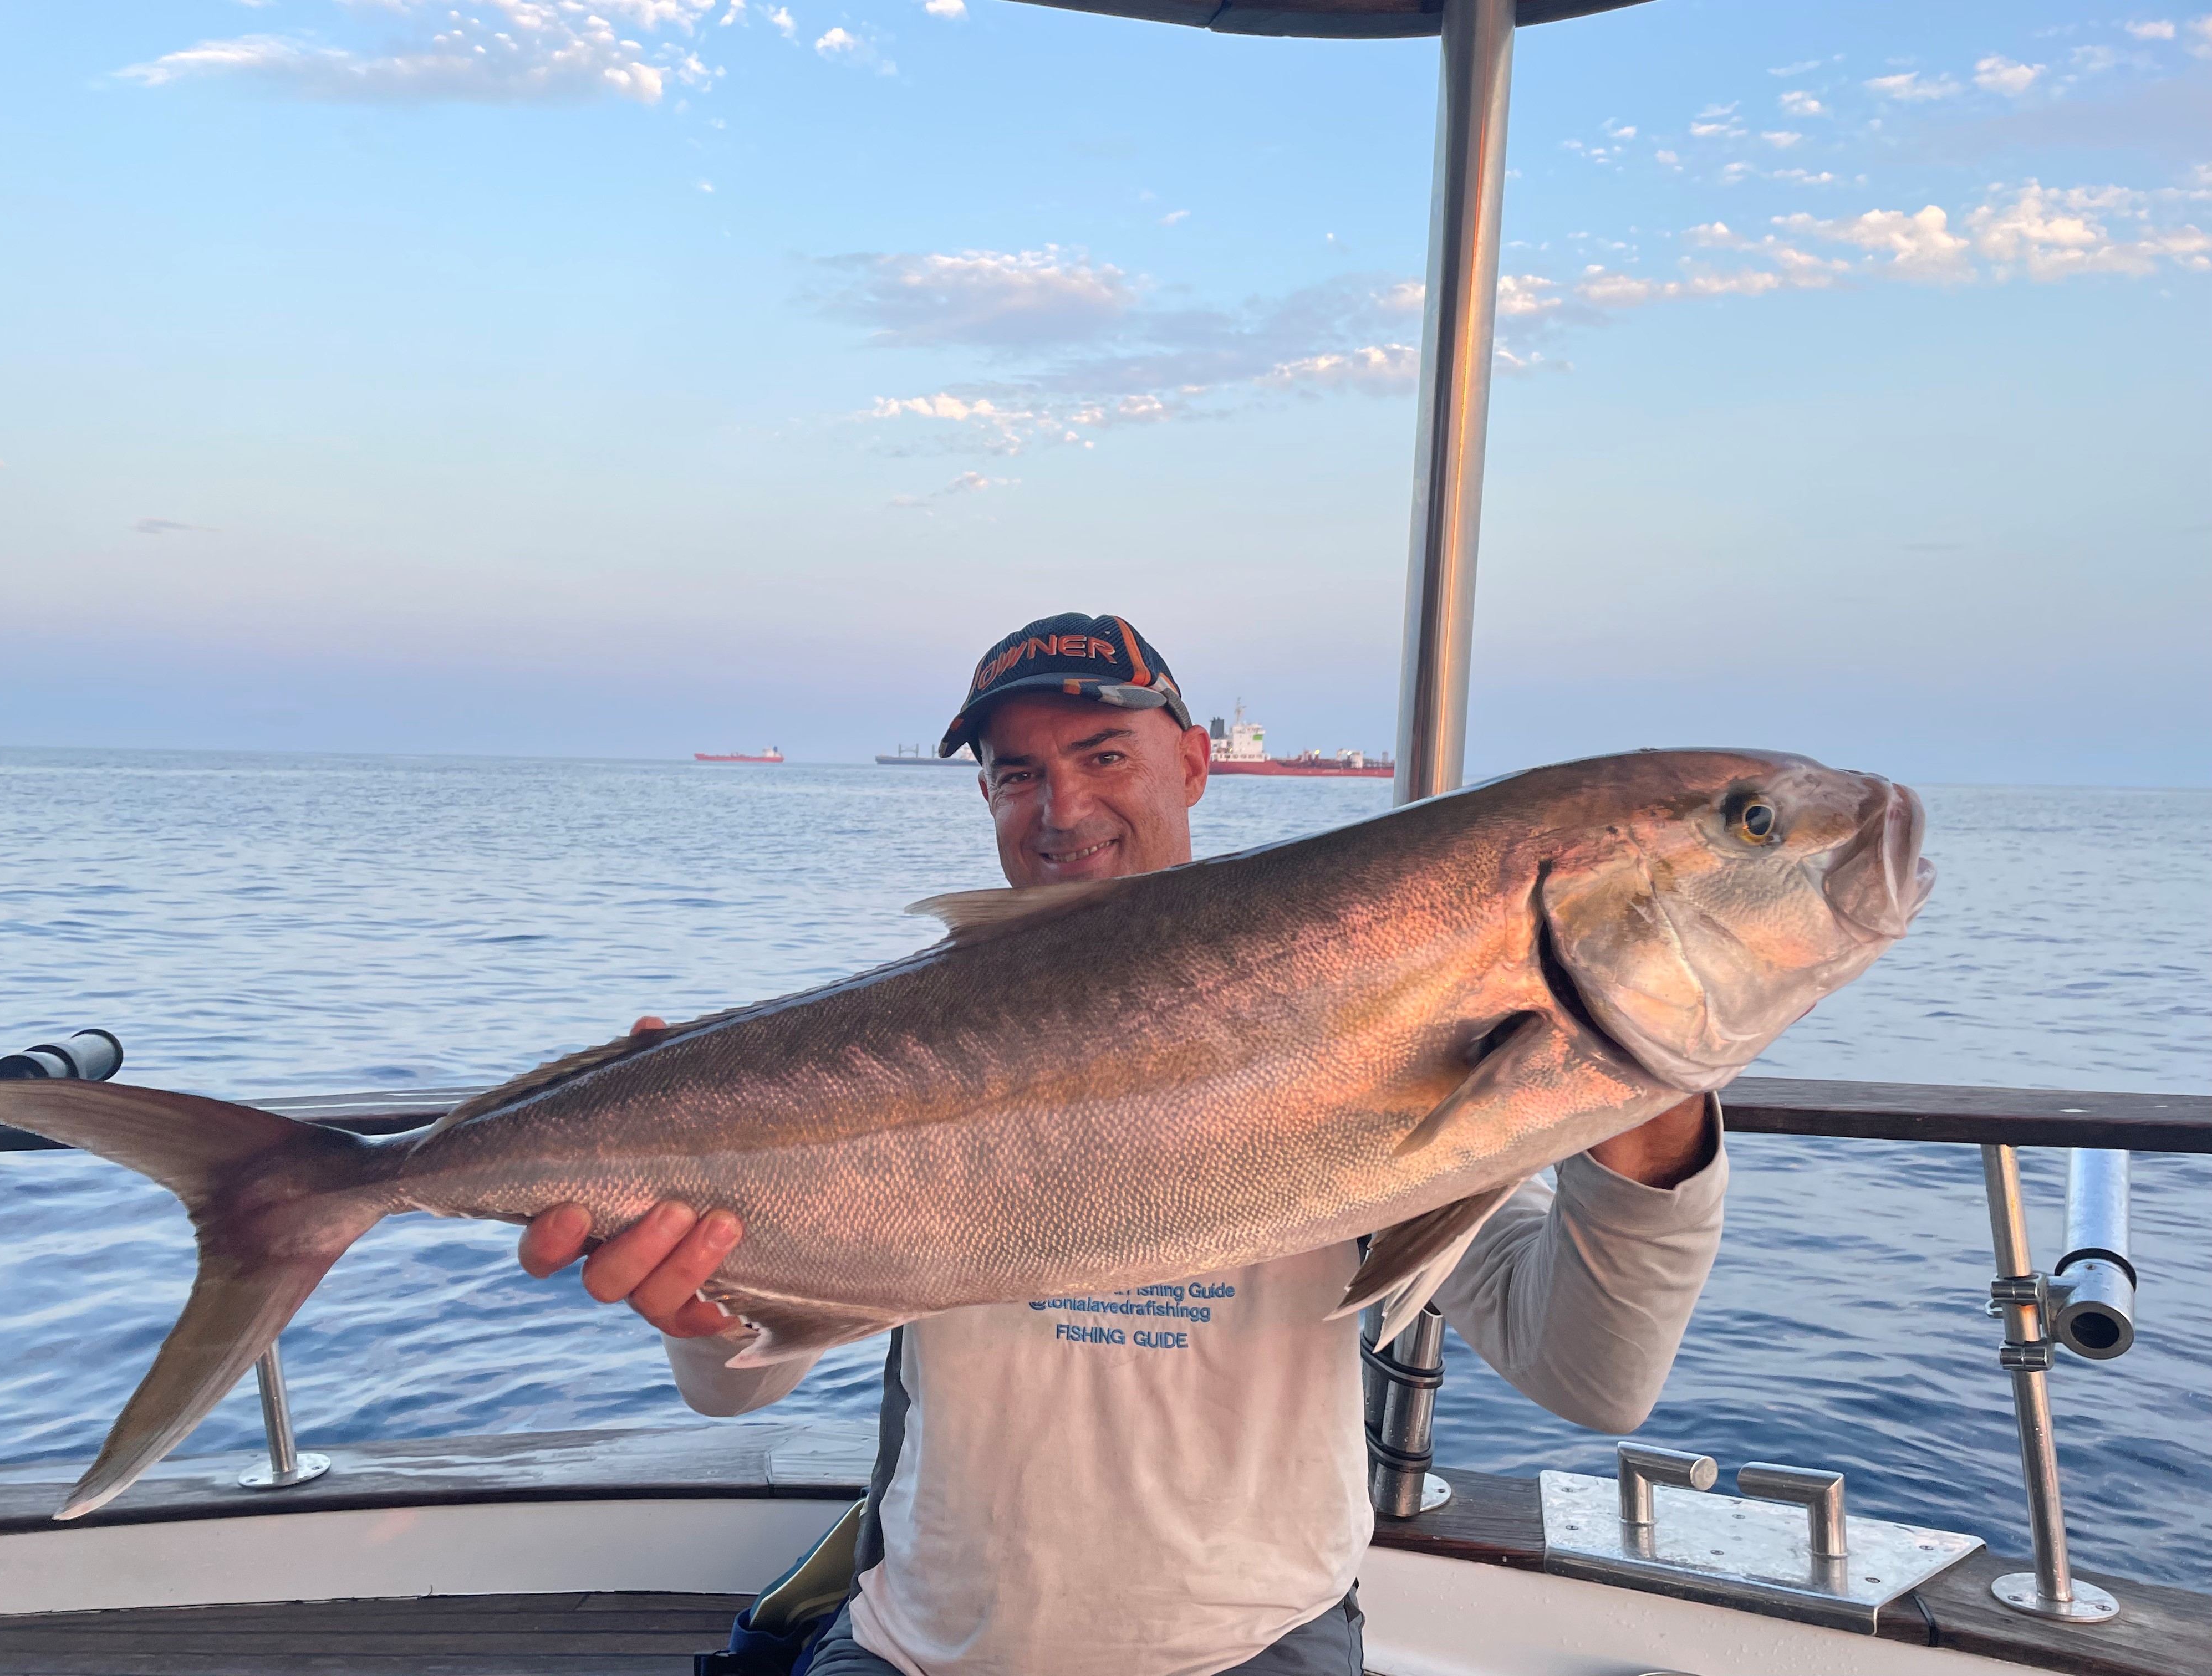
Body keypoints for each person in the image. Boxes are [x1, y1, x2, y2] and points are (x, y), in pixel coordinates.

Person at [519, 612, 1726, 1676]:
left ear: (1196, 762)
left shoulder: (1364, 1020)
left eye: (1105, 756)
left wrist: (1650, 1099)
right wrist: (702, 1313)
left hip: (1254, 1644)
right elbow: (747, 1383)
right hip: (924, 1644)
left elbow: (1592, 1377)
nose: (1064, 811)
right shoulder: (902, 1041)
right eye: (1017, 775)